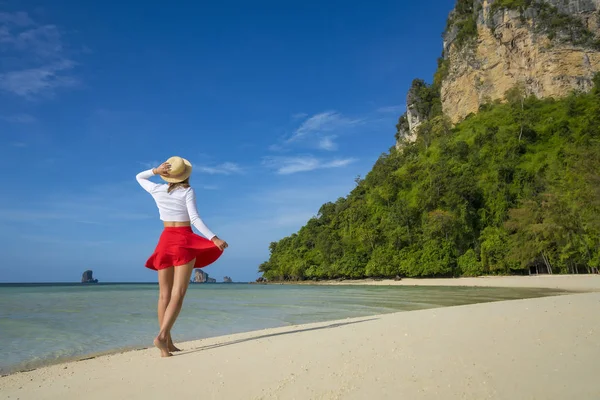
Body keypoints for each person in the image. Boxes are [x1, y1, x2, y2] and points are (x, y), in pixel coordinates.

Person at [136, 156, 228, 357]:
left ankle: (167, 344)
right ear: (185, 175)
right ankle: (161, 337)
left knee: (164, 295)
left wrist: (155, 171)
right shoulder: (187, 191)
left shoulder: (157, 189)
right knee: (178, 293)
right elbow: (194, 219)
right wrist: (214, 238)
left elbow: (138, 177)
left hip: (165, 240)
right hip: (183, 241)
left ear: (167, 173)